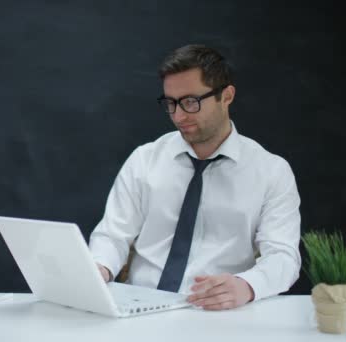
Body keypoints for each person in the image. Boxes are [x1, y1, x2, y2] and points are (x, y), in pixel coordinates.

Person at [89, 44, 301, 311]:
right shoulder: (145, 160)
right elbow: (112, 235)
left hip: (219, 315)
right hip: (137, 308)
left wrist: (246, 286)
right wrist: (100, 268)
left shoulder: (272, 172)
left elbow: (284, 257)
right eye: (170, 103)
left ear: (227, 96)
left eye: (191, 102)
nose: (178, 116)